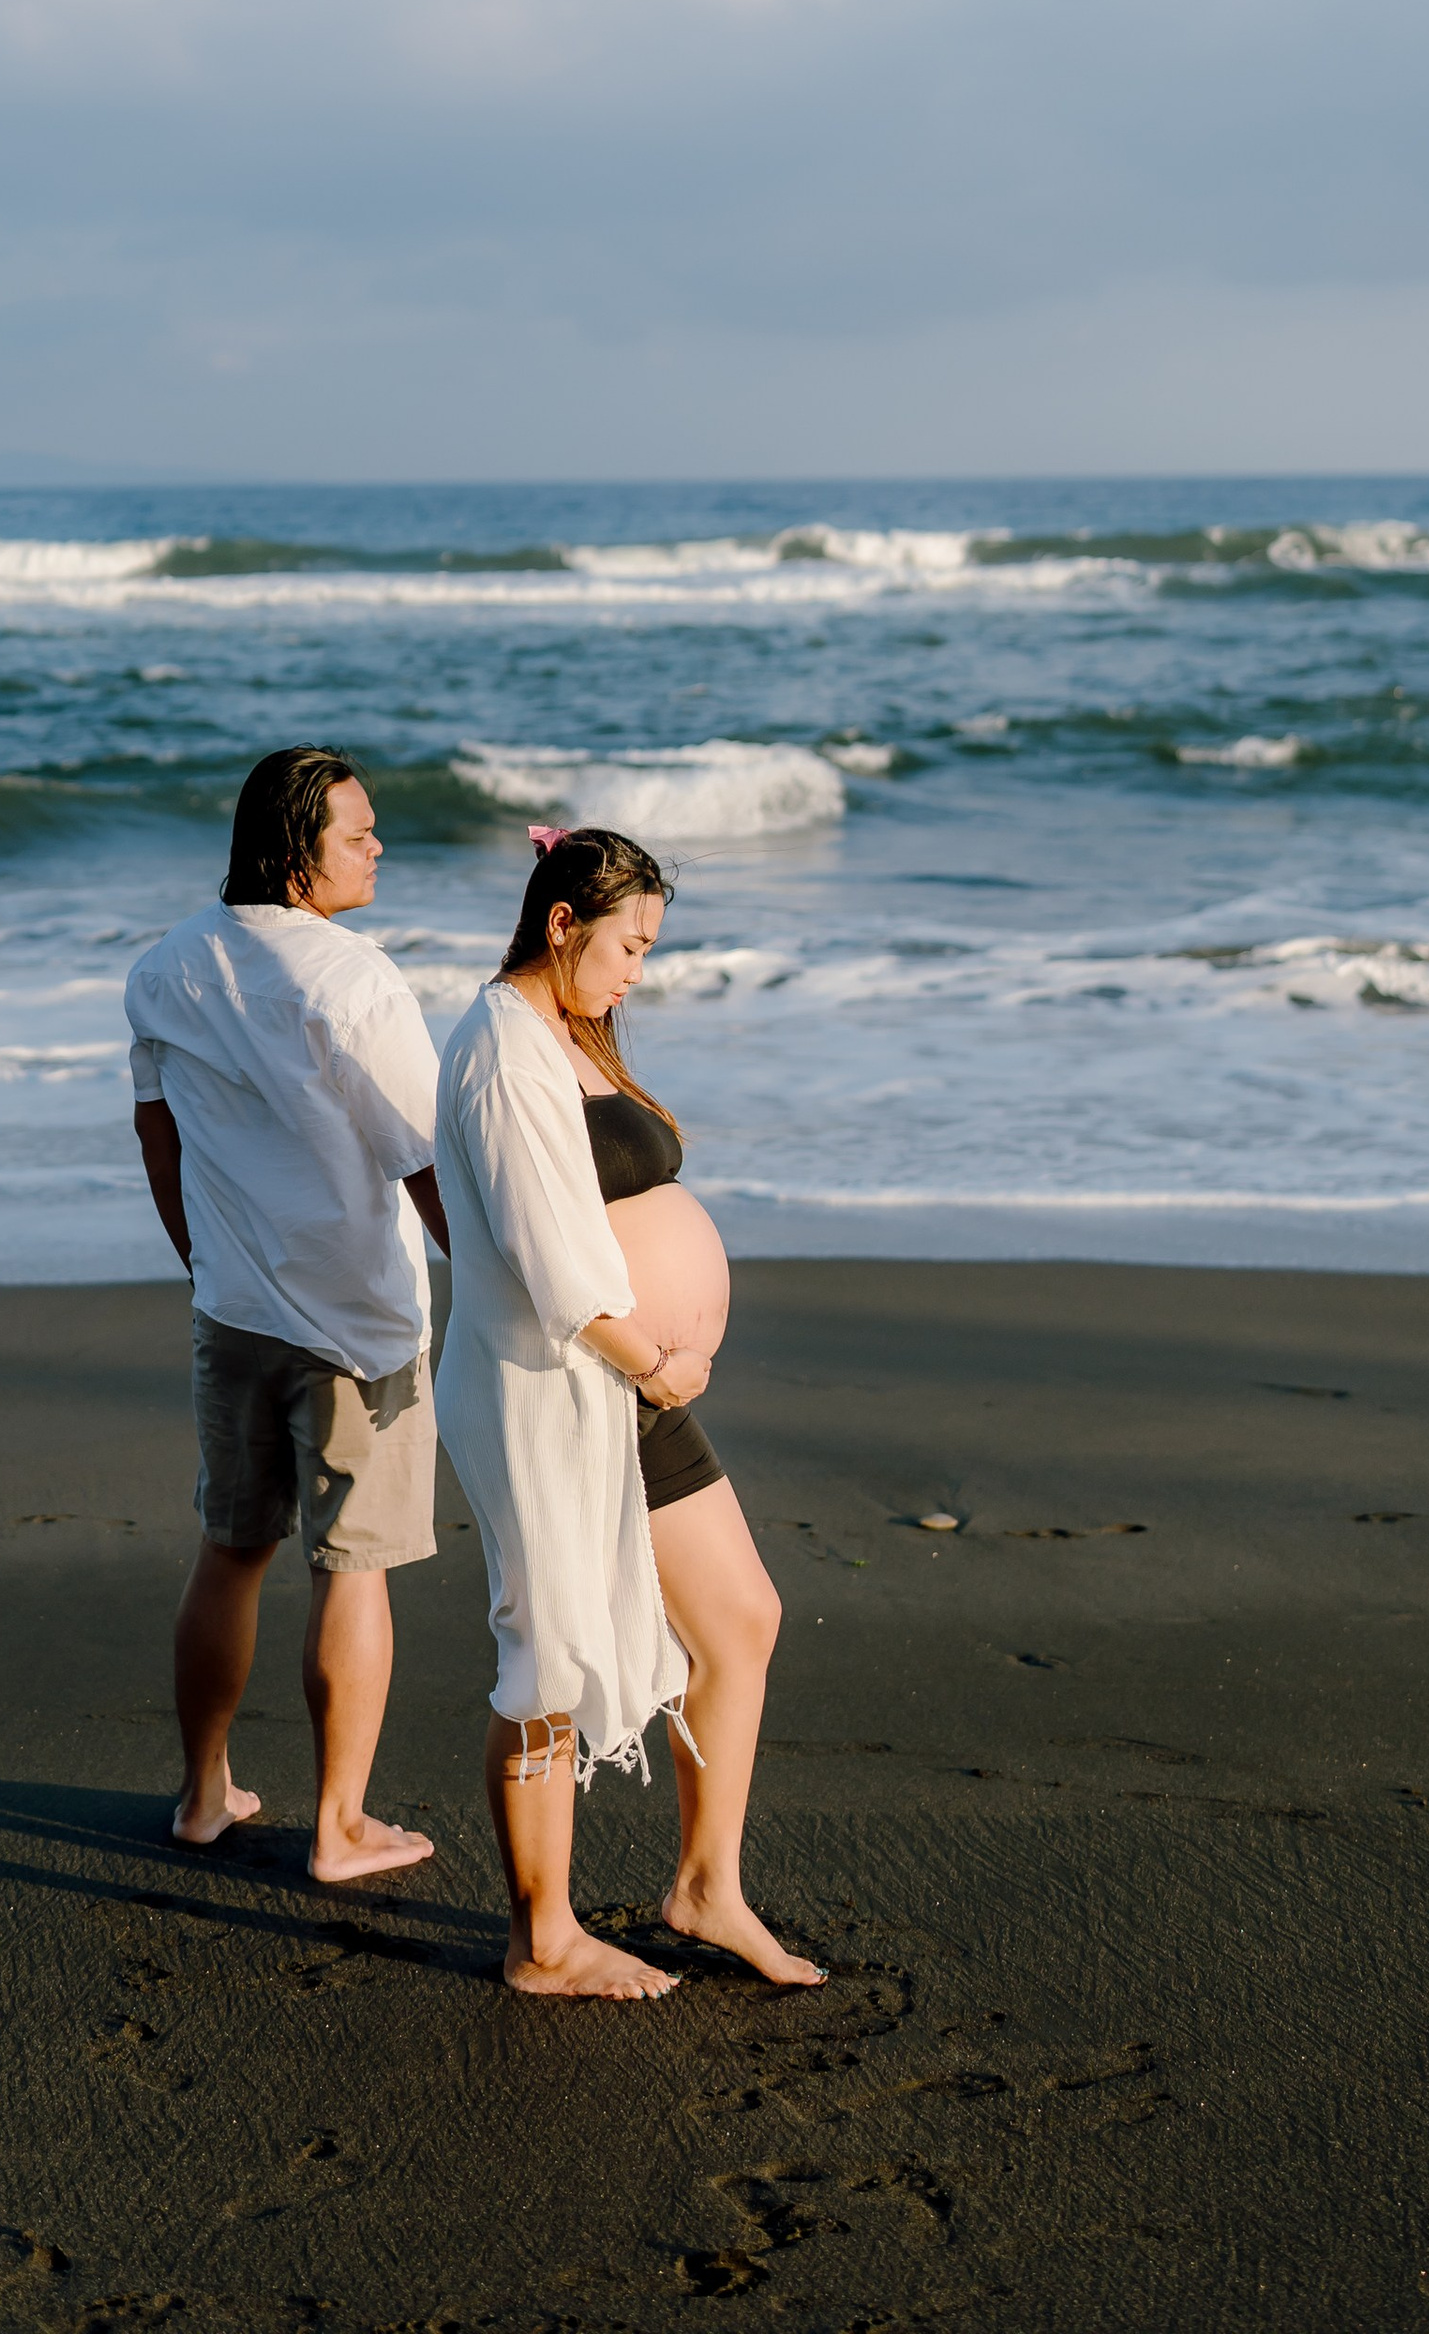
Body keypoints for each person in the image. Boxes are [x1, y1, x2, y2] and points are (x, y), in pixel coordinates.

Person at [435, 823, 821, 1998]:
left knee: (740, 1618)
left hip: (625, 1386)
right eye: (630, 943)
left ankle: (706, 1888)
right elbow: (550, 1258)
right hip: (555, 1390)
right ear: (562, 924)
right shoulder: (504, 1049)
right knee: (546, 1662)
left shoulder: (569, 1031)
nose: (639, 968)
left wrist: (654, 1360)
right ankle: (542, 1940)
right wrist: (648, 1358)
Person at [127, 745, 450, 1884]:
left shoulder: (165, 966)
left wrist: (200, 1258)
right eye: (356, 834)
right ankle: (340, 1825)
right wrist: (507, 1280)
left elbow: (154, 1130)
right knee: (352, 1566)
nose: (376, 849)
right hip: (356, 1321)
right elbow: (424, 1158)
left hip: (235, 1308)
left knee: (231, 1547)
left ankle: (205, 1795)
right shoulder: (353, 978)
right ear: (293, 854)